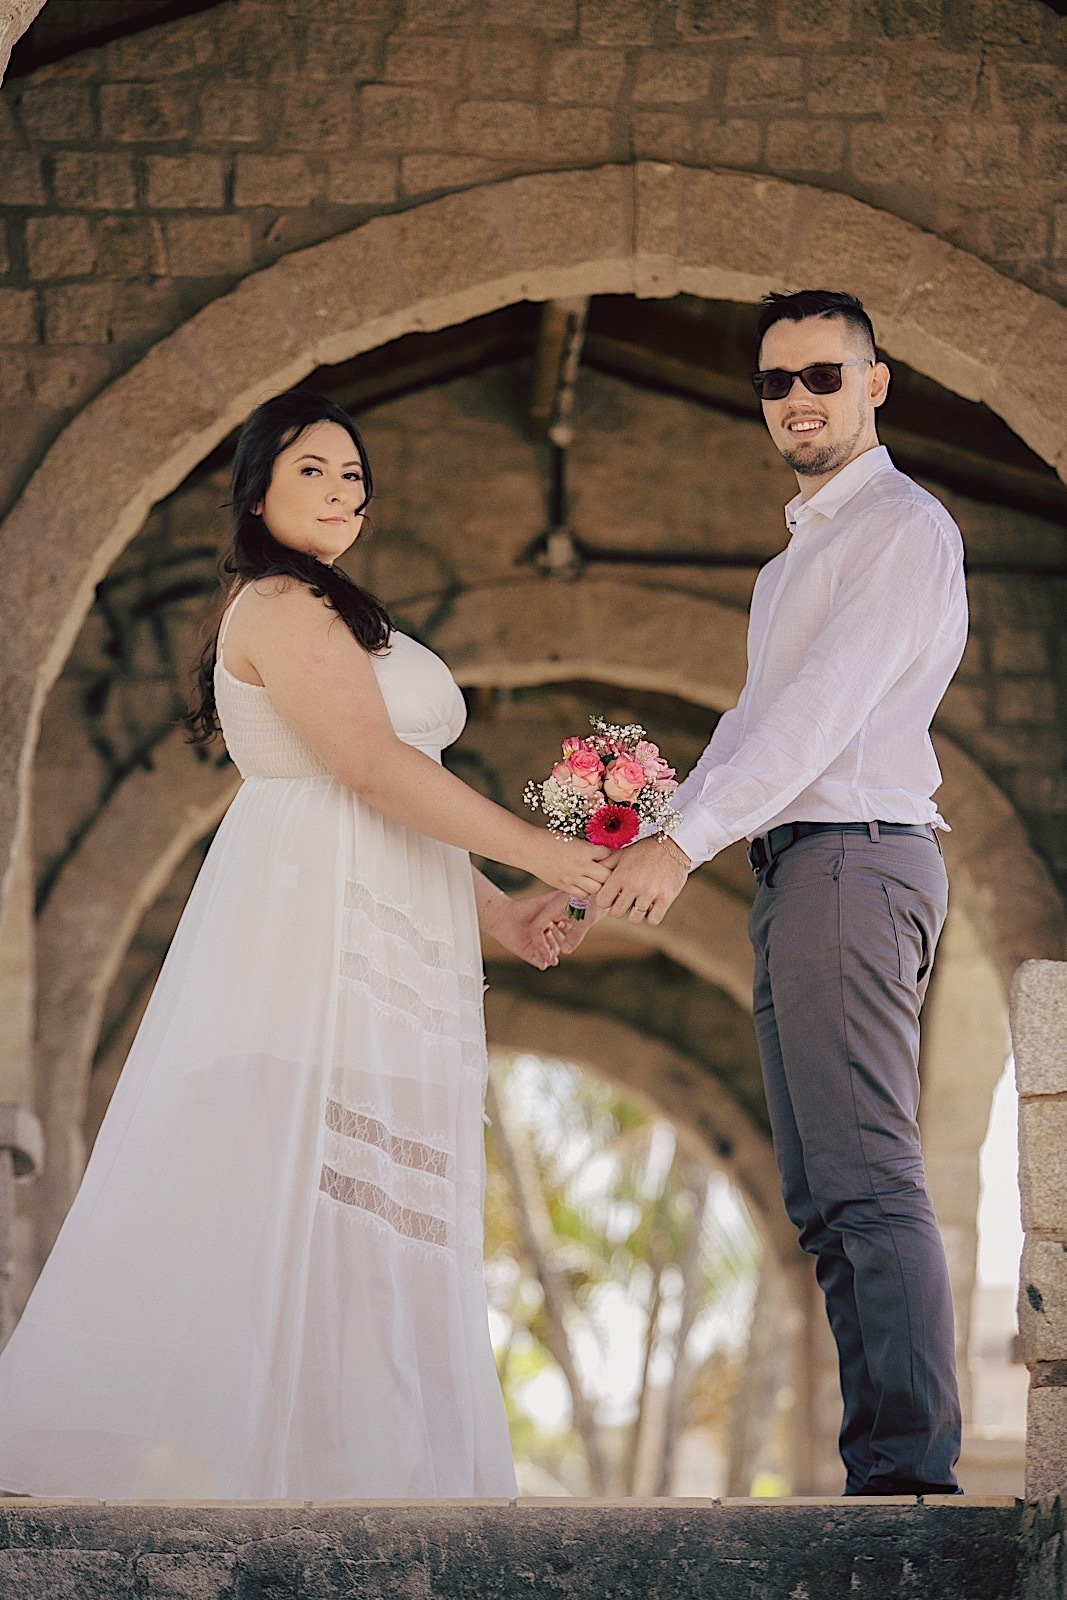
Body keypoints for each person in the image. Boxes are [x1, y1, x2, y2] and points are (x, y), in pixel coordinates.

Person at [0, 389, 611, 1500]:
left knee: (370, 1221)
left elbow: (386, 797)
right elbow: (372, 770)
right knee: (319, 1201)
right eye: (312, 471)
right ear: (259, 492)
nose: (341, 491)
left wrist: (497, 907)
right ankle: (309, 1477)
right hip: (307, 933)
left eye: (351, 475)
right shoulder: (278, 604)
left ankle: (359, 1470)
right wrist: (541, 849)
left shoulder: (340, 609)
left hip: (384, 914)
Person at [595, 290, 967, 1496]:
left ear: (874, 383)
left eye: (822, 374)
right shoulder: (789, 563)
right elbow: (749, 725)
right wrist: (637, 850)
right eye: (774, 383)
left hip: (856, 853)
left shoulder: (901, 530)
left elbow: (818, 720)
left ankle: (909, 1481)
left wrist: (684, 843)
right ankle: (880, 1470)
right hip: (800, 867)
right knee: (820, 1195)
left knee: (868, 1175)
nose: (797, 399)